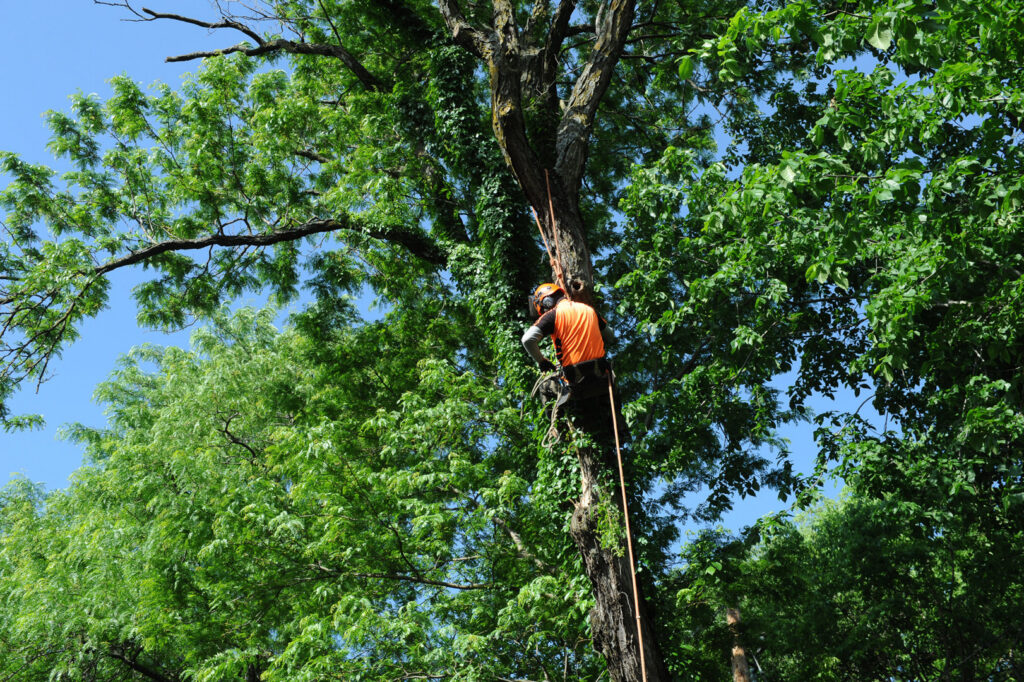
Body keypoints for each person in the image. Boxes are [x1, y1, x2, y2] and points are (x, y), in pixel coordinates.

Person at [522, 283, 624, 441]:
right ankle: (620, 427)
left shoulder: (552, 315)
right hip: (602, 380)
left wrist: (541, 361)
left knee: (544, 387)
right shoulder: (589, 310)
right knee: (611, 402)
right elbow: (610, 336)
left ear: (546, 302)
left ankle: (559, 433)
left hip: (575, 383)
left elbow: (527, 339)